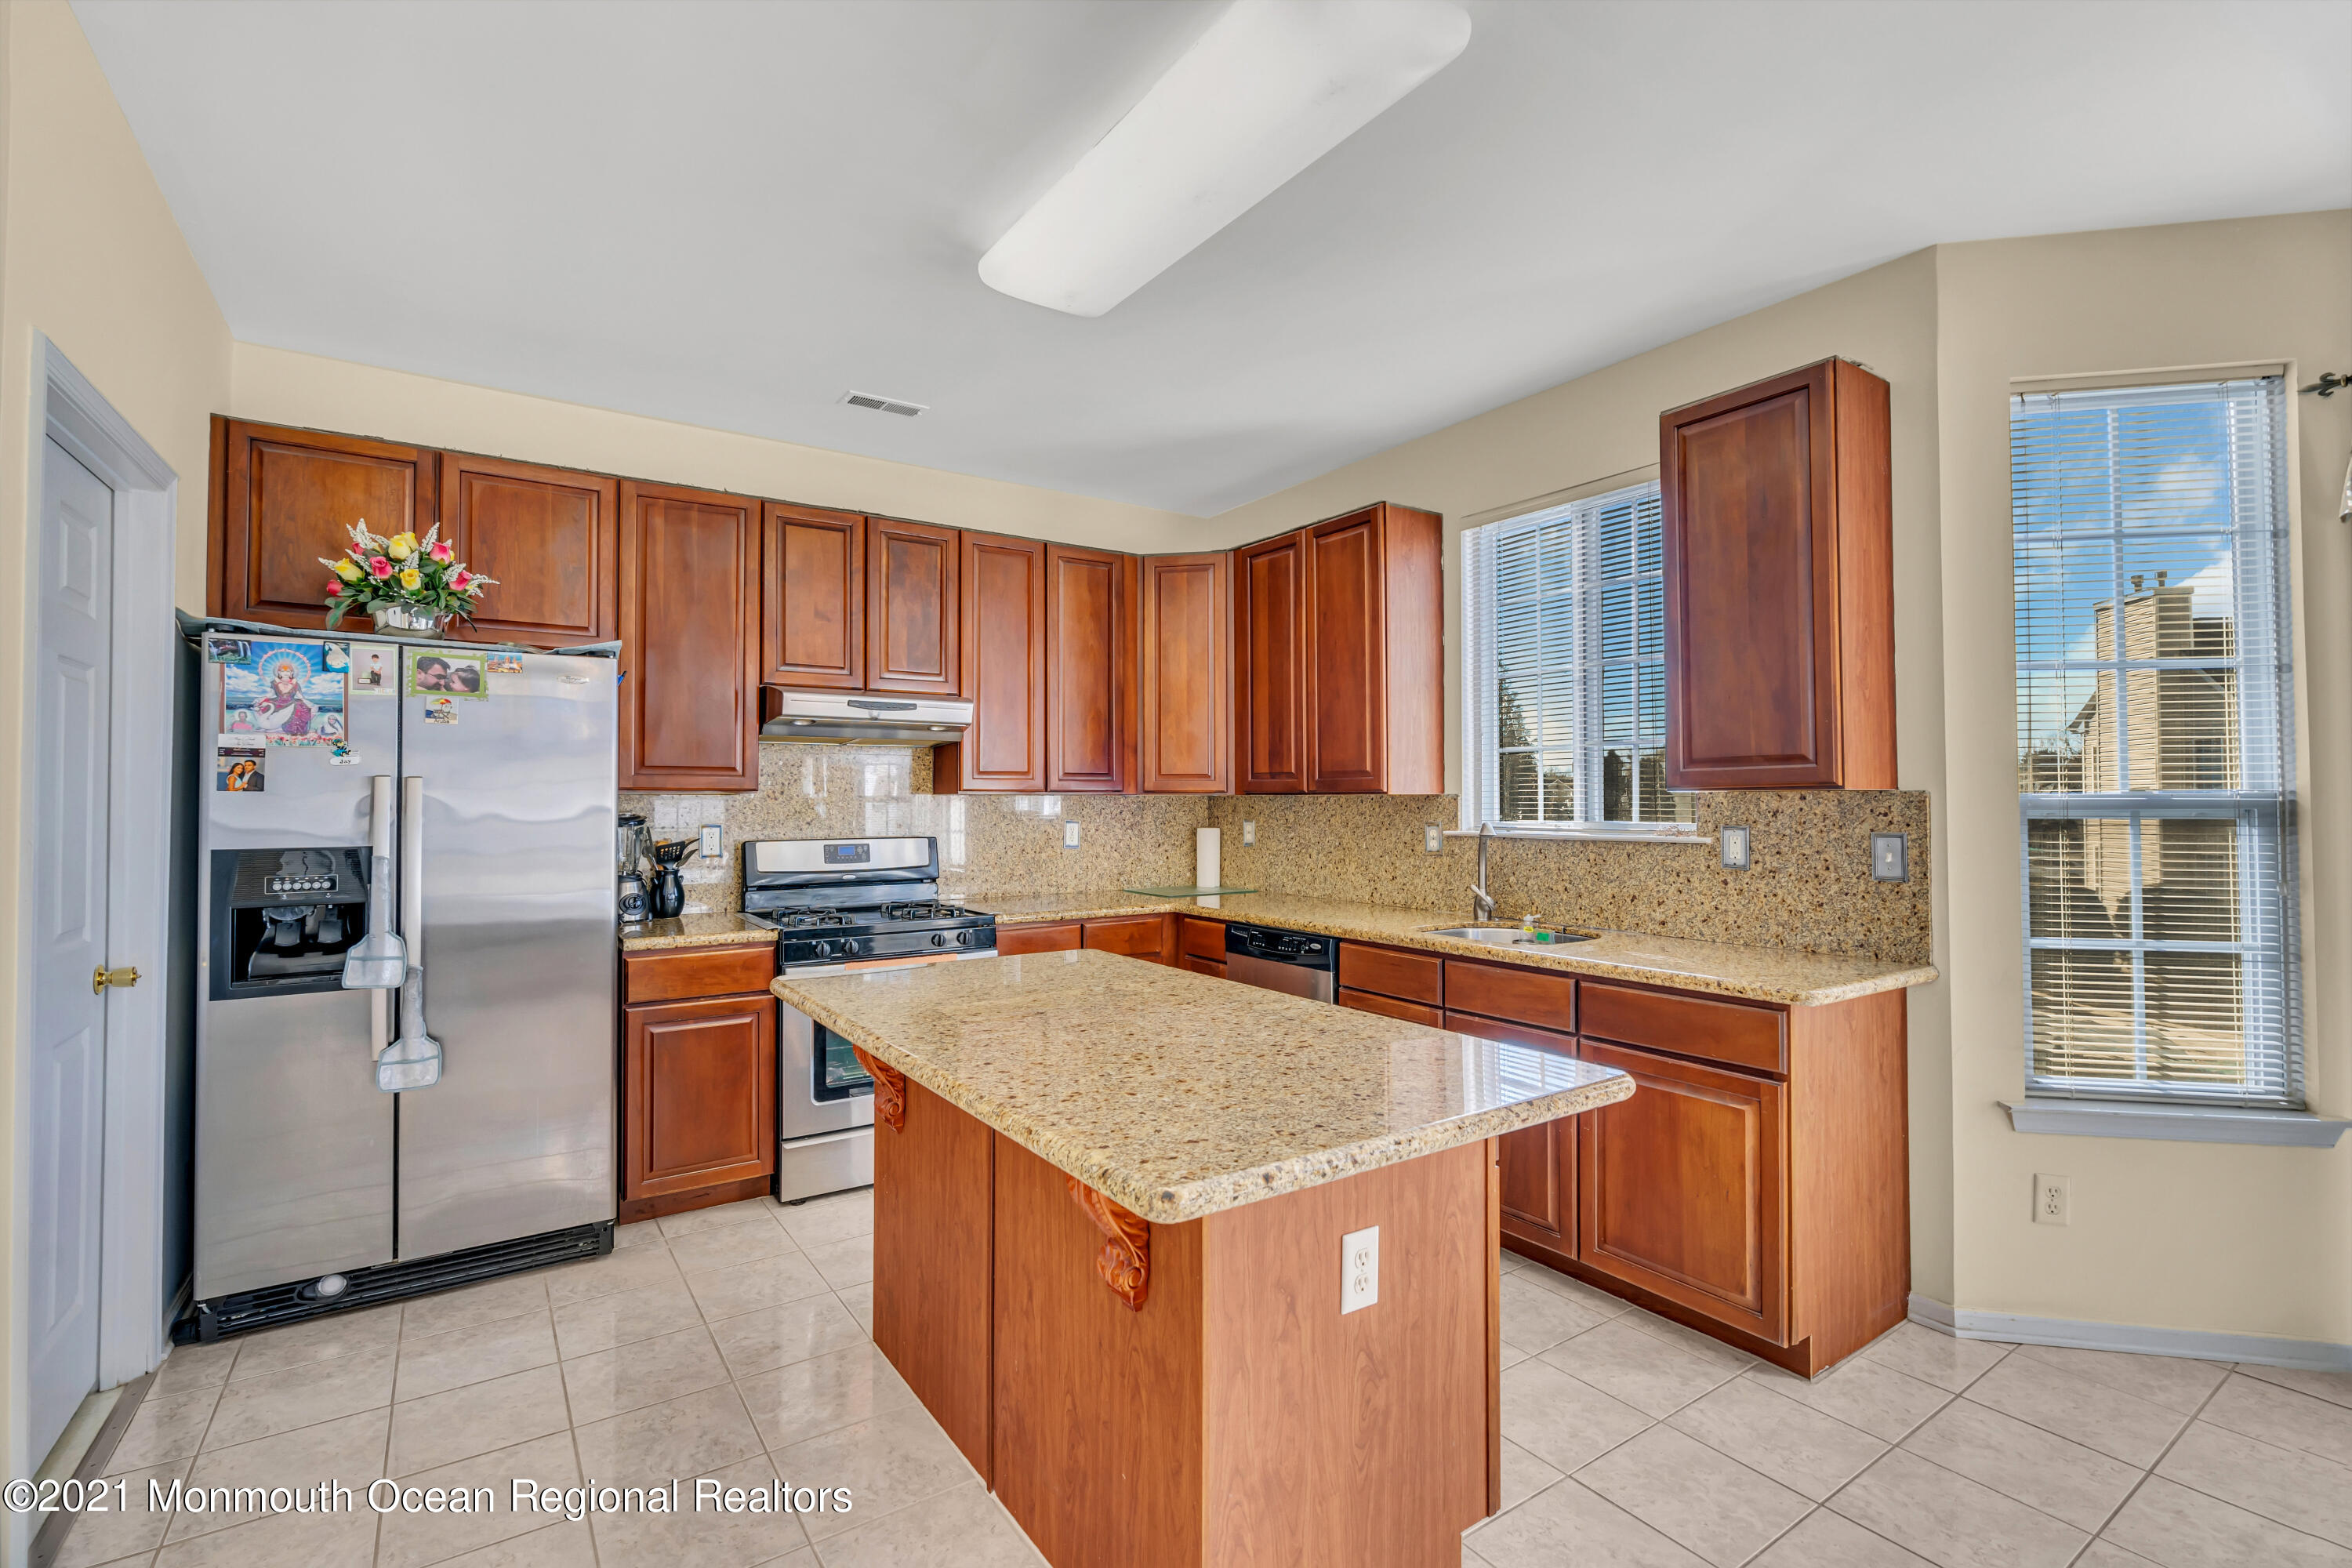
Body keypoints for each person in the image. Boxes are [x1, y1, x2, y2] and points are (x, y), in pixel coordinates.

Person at [247, 659, 314, 736]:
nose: (285, 673)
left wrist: (307, 701)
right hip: (278, 701)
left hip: (292, 701)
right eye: (283, 671)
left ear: (292, 672)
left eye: (288, 671)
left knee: (302, 708)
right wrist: (261, 699)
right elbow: (270, 694)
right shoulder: (275, 683)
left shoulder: (296, 684)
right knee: (263, 704)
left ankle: (293, 730)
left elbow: (300, 696)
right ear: (279, 672)